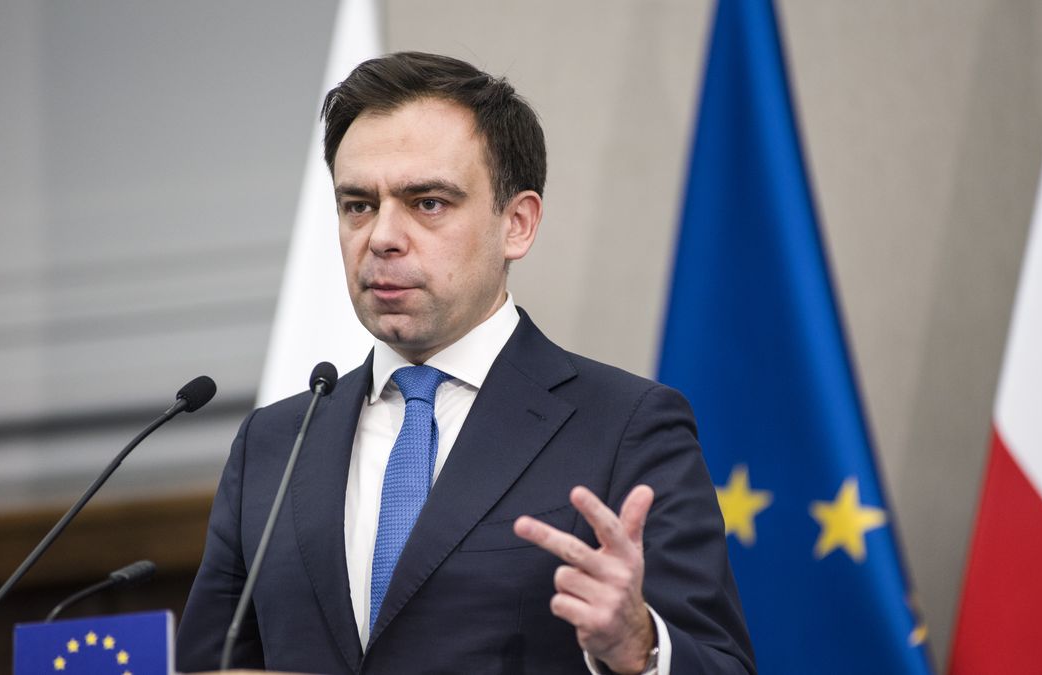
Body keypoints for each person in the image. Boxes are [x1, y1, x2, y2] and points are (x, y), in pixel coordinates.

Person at [176, 51, 754, 675]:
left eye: (427, 202)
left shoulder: (625, 428)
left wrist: (638, 648)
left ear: (518, 224)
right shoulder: (272, 445)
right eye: (358, 205)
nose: (381, 237)